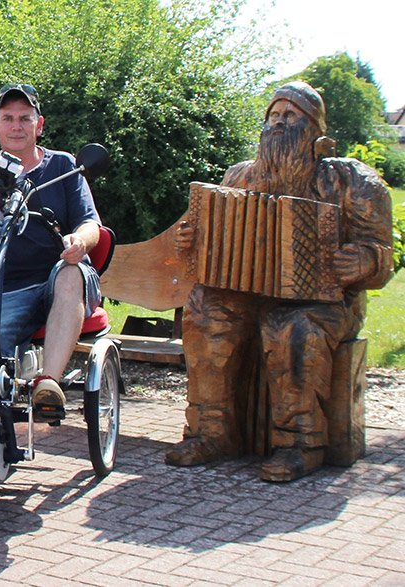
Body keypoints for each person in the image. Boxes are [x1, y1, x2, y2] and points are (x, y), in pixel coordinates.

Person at [166, 81, 394, 482]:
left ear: (315, 130)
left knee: (291, 326)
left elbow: (382, 254)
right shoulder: (240, 176)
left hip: (326, 300)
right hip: (248, 292)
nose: (278, 124)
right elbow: (213, 239)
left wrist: (364, 260)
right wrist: (194, 239)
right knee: (204, 312)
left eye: (290, 116)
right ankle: (210, 433)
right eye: (273, 115)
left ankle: (301, 443)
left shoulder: (352, 181)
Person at [0, 83, 103, 493]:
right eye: (8, 118)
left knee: (70, 272)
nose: (17, 125)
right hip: (7, 286)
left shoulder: (64, 166)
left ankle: (49, 385)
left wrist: (80, 241)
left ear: (39, 125)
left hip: (60, 276)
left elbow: (90, 223)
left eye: (25, 118)